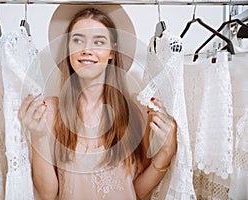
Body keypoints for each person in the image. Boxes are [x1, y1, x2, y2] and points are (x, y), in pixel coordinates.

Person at [18, 5, 177, 200]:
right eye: (78, 40)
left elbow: (138, 192)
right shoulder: (49, 111)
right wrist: (39, 136)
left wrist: (166, 153)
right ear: (68, 50)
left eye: (99, 41)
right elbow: (47, 194)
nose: (87, 50)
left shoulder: (136, 110)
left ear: (112, 52)